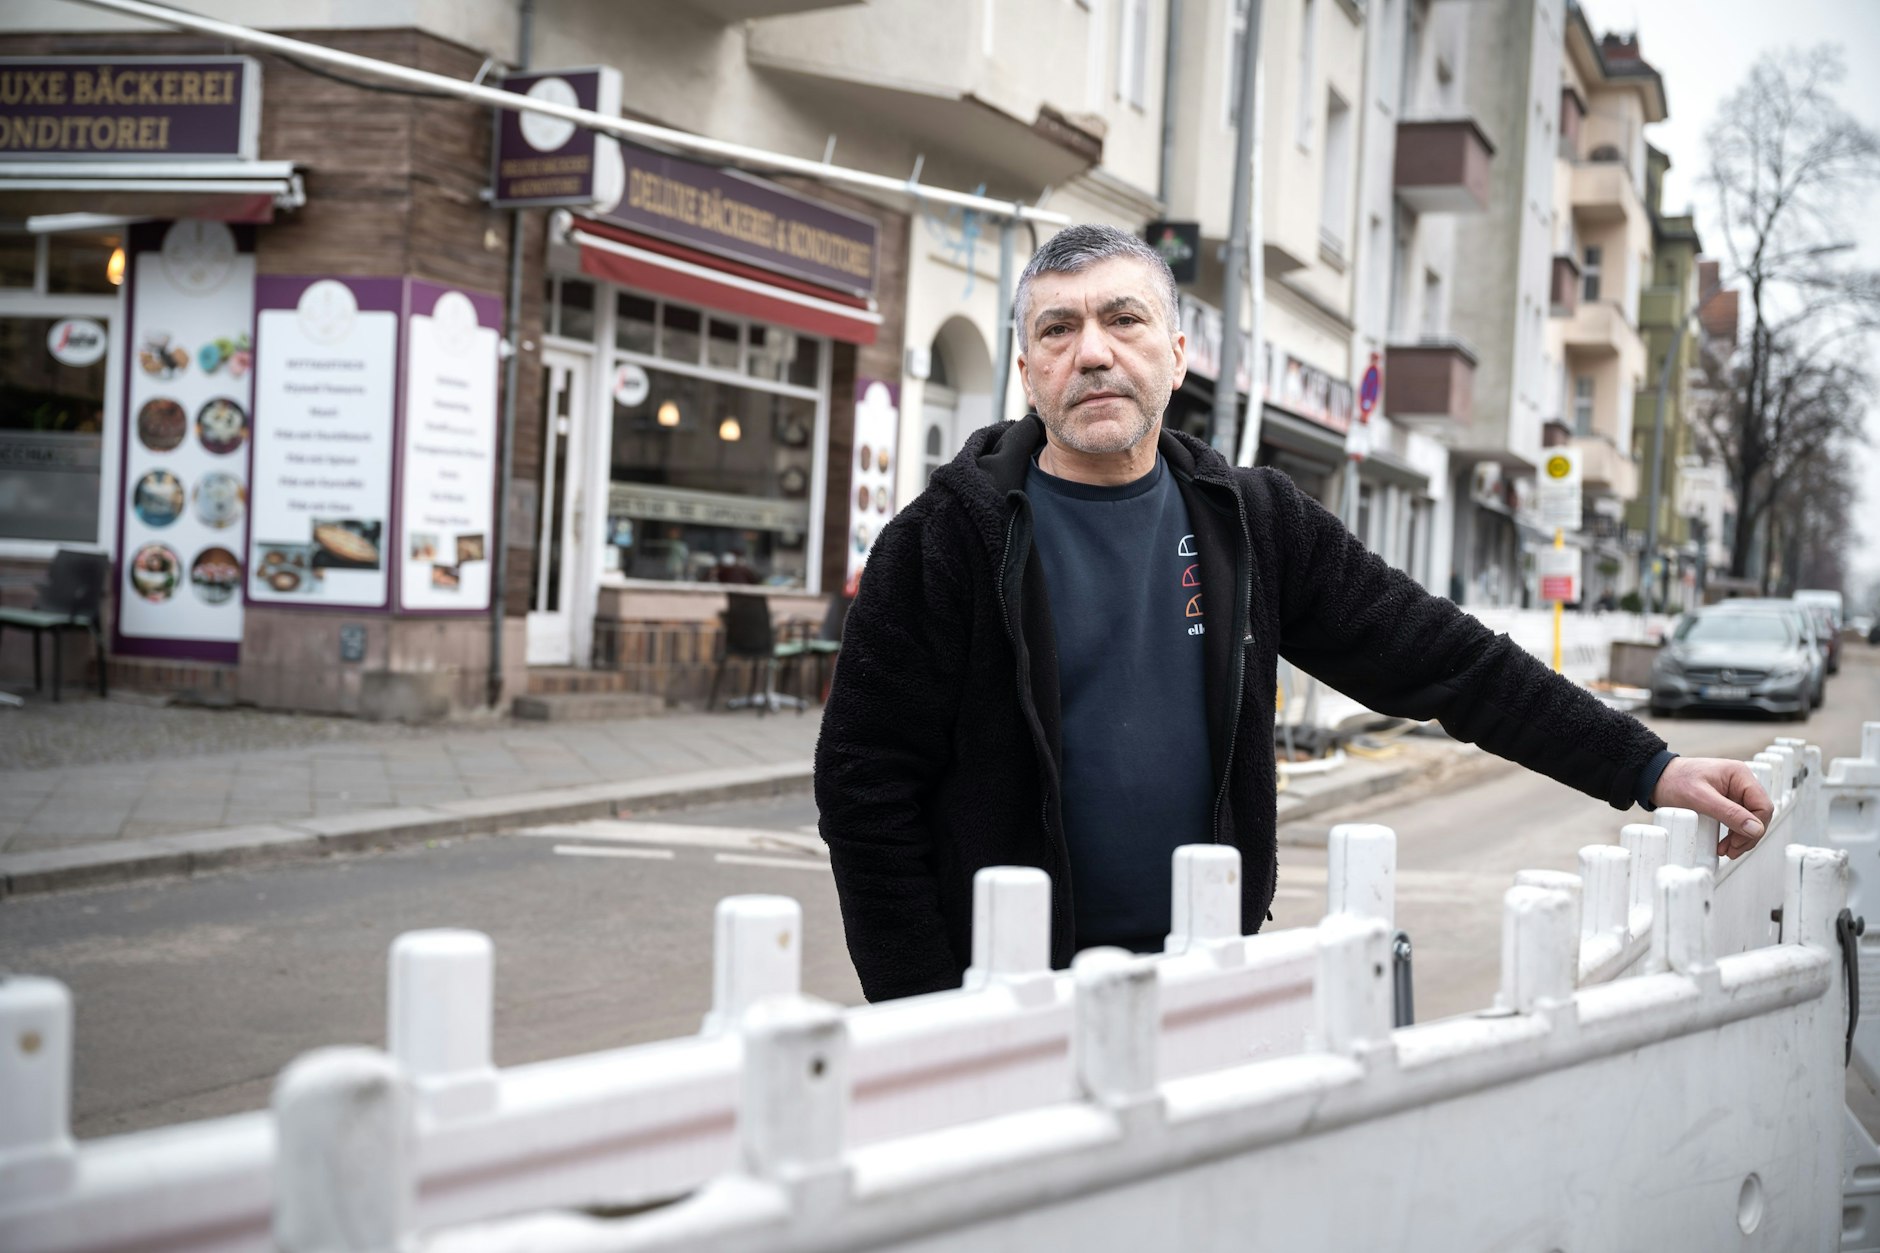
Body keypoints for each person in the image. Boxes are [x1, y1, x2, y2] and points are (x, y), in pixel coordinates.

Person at [814, 224, 1771, 1004]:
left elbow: (1449, 660)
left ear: (1177, 354)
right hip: (1007, 999)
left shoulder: (1254, 524)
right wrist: (928, 1012)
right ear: (1028, 370)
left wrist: (1650, 766)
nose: (1093, 351)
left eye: (1123, 318)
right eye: (1058, 330)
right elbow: (865, 790)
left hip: (1207, 984)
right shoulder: (943, 542)